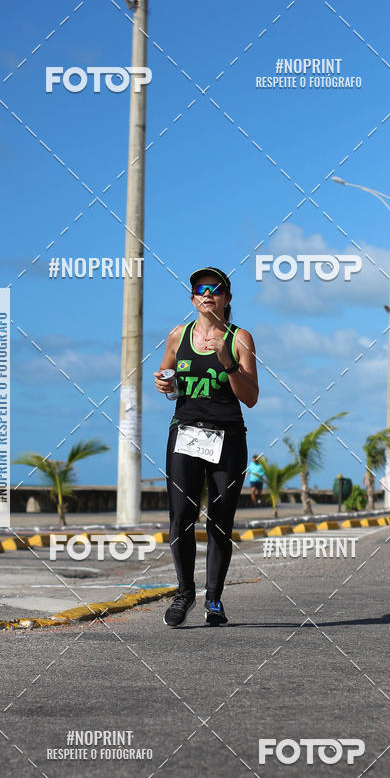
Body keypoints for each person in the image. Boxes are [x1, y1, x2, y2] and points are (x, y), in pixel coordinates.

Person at [154, 267, 259, 627]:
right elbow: (169, 380)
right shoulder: (177, 335)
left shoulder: (239, 337)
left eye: (216, 288)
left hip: (227, 437)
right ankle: (184, 593)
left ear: (227, 298)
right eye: (200, 288)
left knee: (220, 520)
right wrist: (165, 385)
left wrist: (227, 362)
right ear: (192, 298)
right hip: (185, 433)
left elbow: (251, 397)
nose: (207, 293)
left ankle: (214, 599)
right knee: (181, 516)